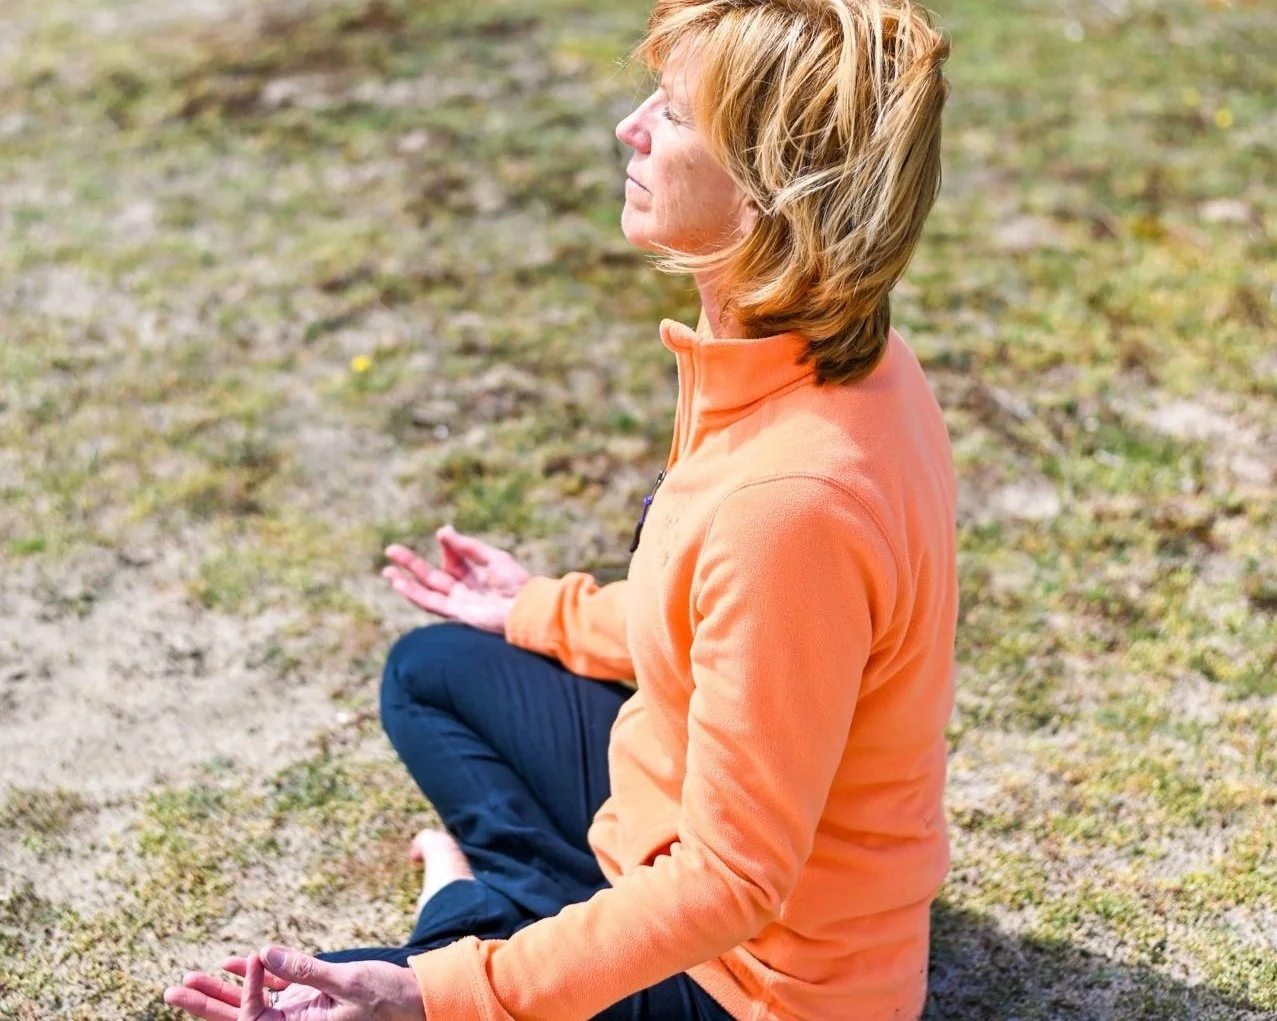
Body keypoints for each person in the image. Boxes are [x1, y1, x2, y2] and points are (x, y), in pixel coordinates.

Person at [163, 0, 955, 1018]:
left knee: (321, 1005)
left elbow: (731, 880)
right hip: (665, 836)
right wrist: (540, 610)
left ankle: (471, 911)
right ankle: (511, 907)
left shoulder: (793, 505)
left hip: (760, 986)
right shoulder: (833, 361)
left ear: (768, 193)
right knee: (433, 670)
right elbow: (717, 624)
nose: (630, 127)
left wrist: (437, 991)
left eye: (673, 114)